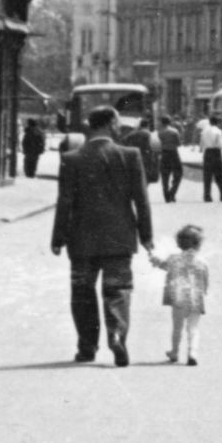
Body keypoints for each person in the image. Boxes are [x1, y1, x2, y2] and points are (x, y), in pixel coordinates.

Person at [51, 106, 154, 366]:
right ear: (109, 123)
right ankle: (117, 336)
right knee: (118, 290)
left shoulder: (72, 158)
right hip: (119, 239)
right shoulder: (130, 155)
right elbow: (141, 200)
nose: (120, 127)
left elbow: (64, 202)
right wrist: (146, 236)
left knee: (83, 293)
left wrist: (58, 237)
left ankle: (87, 347)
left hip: (81, 240)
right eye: (118, 122)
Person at [150, 223, 209, 365]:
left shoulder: (174, 259)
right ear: (198, 244)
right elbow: (205, 279)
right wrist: (204, 292)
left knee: (177, 327)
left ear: (179, 243)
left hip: (178, 298)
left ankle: (174, 352)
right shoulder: (202, 261)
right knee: (193, 327)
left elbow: (164, 266)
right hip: (196, 298)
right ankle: (192, 352)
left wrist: (155, 261)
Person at [122, 119, 161, 191]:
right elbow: (151, 145)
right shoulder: (148, 133)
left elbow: (124, 140)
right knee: (146, 174)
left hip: (135, 155)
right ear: (148, 125)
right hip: (146, 156)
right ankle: (143, 189)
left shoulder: (134, 133)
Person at [200, 115, 222, 201]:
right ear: (218, 122)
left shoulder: (204, 131)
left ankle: (207, 195)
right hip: (216, 152)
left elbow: (201, 143)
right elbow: (220, 144)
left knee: (207, 175)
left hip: (207, 152)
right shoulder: (218, 131)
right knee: (219, 174)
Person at [157, 115, 184, 202]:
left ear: (162, 122)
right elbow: (179, 144)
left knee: (165, 176)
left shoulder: (159, 133)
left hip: (164, 154)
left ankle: (166, 196)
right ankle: (172, 192)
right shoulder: (174, 131)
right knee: (178, 174)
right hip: (173, 153)